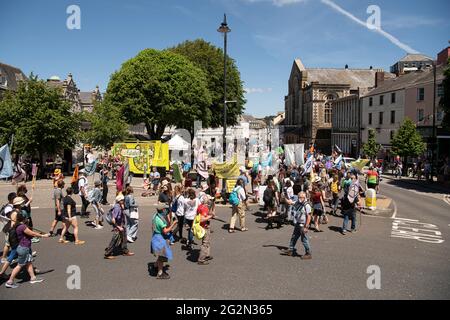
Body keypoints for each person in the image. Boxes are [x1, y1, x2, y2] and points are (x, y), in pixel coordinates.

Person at [5, 212, 50, 289]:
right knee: (20, 265)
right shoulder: (22, 227)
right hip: (24, 248)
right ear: (23, 219)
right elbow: (32, 234)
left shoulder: (17, 225)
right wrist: (43, 235)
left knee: (28, 262)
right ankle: (10, 281)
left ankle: (33, 278)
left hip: (22, 247)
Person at [104, 194, 135, 259]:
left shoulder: (120, 206)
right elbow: (113, 219)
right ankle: (107, 254)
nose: (123, 200)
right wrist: (118, 227)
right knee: (114, 240)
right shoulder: (117, 207)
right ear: (119, 201)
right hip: (117, 227)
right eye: (122, 200)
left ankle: (125, 251)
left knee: (124, 238)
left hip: (121, 225)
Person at [151, 205, 177, 279]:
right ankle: (160, 273)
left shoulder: (155, 216)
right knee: (162, 256)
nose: (166, 210)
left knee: (161, 254)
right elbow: (165, 231)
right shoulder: (159, 220)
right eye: (165, 209)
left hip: (156, 237)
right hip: (159, 239)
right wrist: (173, 224)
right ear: (162, 210)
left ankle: (155, 265)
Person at [284, 192, 312, 260]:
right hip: (298, 223)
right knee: (294, 237)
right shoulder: (298, 203)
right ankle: (290, 250)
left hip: (303, 225)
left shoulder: (307, 205)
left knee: (304, 239)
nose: (300, 198)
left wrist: (306, 227)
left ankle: (308, 253)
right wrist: (284, 197)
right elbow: (289, 202)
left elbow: (309, 216)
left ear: (305, 197)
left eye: (302, 197)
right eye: (299, 197)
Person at [197, 195, 215, 265]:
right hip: (204, 226)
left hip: (203, 226)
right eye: (209, 200)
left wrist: (210, 213)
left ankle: (206, 255)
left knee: (207, 242)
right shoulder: (204, 208)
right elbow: (202, 219)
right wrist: (210, 216)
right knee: (205, 242)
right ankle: (201, 259)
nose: (210, 201)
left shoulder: (200, 206)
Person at [1, 192, 16, 264]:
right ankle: (4, 258)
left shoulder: (10, 206)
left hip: (9, 227)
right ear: (12, 199)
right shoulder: (8, 208)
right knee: (8, 243)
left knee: (11, 243)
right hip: (8, 228)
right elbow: (11, 218)